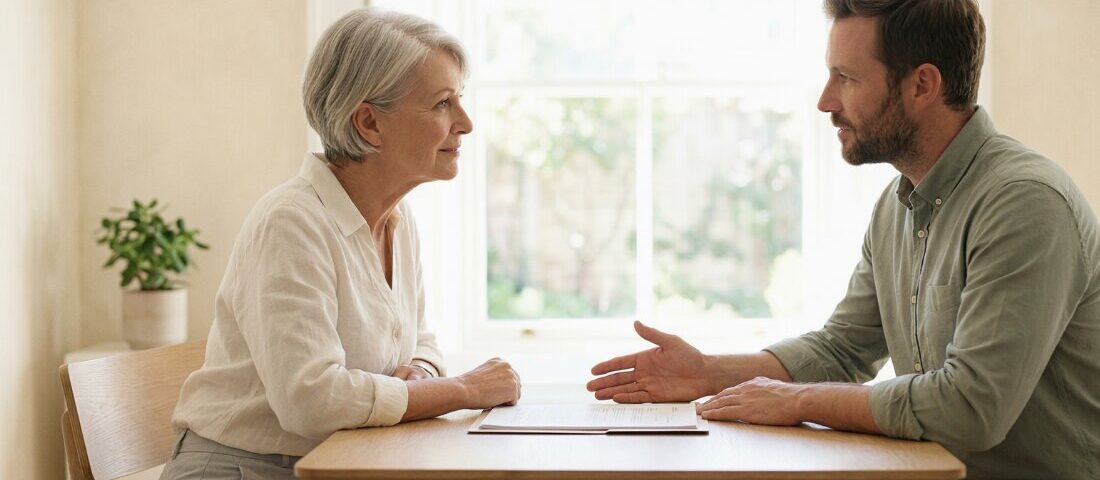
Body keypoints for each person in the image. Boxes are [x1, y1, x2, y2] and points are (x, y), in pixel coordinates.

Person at [587, 1, 1100, 478]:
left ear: (923, 85)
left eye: (846, 78)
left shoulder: (1024, 204)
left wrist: (798, 401)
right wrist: (708, 372)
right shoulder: (896, 206)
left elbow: (971, 409)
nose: (825, 101)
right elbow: (842, 350)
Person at [160, 8, 521, 480]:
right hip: (247, 470)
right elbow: (311, 402)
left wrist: (423, 376)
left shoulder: (398, 219)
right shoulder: (291, 222)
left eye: (460, 100)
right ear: (369, 124)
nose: (466, 122)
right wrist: (463, 391)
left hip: (342, 462)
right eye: (442, 104)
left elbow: (422, 343)